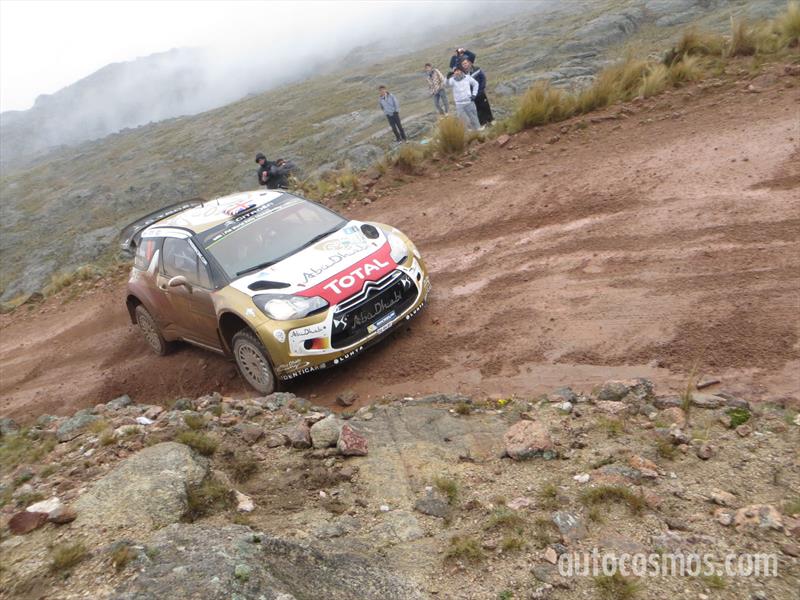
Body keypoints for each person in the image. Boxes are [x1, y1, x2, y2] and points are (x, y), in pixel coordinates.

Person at [461, 58, 493, 126]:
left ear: (469, 63)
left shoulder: (477, 69)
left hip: (481, 93)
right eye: (463, 64)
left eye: (465, 63)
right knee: (477, 109)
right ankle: (483, 123)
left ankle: (491, 120)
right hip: (473, 96)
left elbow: (483, 78)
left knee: (485, 106)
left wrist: (481, 89)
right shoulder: (463, 75)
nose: (465, 65)